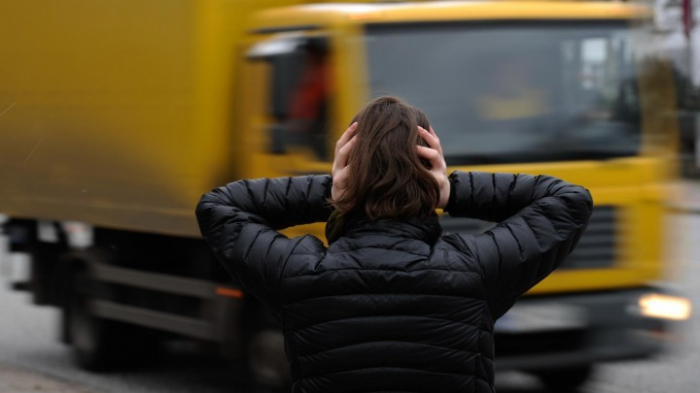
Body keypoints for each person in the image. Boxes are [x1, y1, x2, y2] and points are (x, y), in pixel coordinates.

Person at [196, 96, 593, 393]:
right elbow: (568, 201)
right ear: (427, 170)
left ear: (346, 171)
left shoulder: (297, 272)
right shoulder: (473, 270)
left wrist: (334, 189)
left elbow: (218, 206)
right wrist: (451, 190)